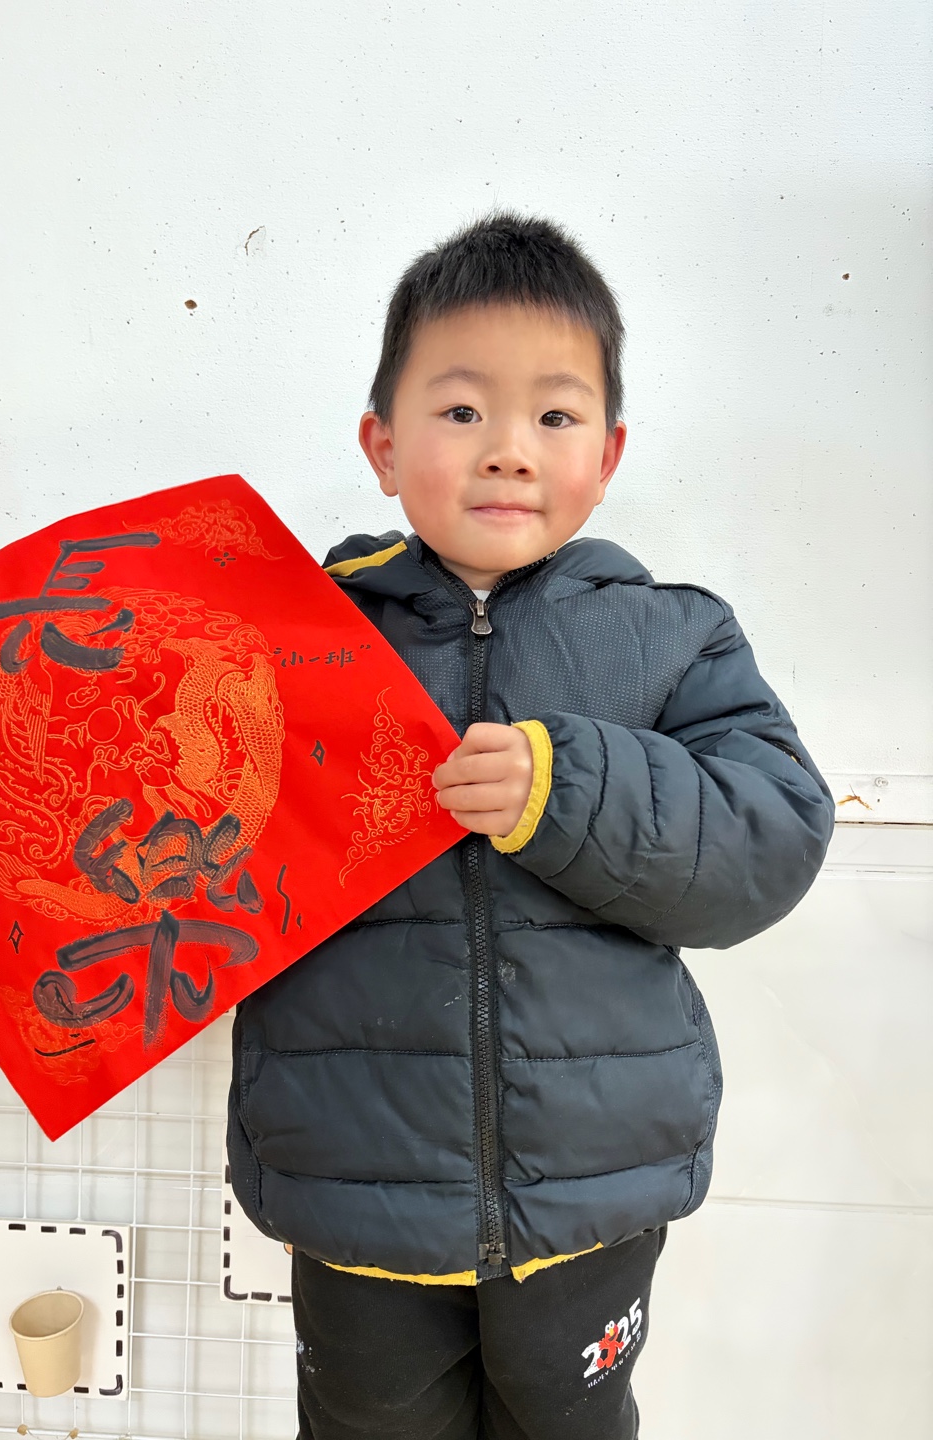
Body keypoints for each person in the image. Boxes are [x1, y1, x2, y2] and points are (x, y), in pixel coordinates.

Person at [227, 212, 835, 1439]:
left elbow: (773, 836)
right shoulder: (295, 642)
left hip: (590, 1200)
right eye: (461, 411)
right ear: (381, 444)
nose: (508, 450)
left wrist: (572, 790)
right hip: (353, 1187)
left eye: (554, 417)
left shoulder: (672, 637)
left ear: (607, 457)